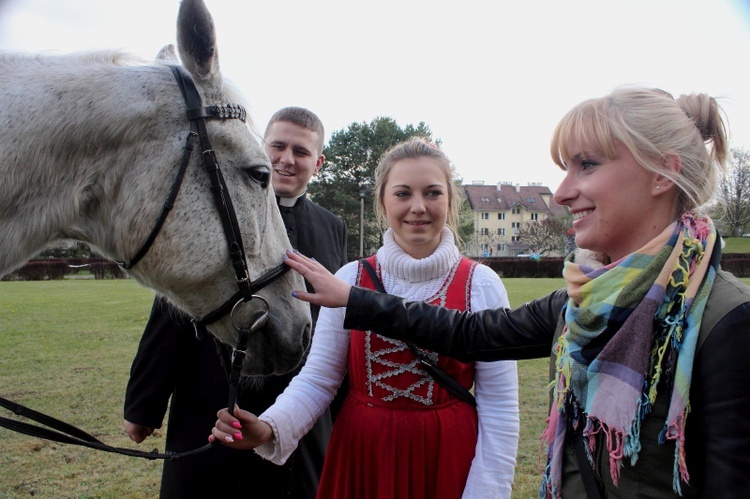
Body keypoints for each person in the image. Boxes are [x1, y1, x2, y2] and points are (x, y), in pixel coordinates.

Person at [277, 88, 750, 498]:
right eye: (565, 168)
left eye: (585, 165)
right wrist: (355, 298)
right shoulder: (584, 299)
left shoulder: (727, 320)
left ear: (662, 174)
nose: (561, 192)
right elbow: (469, 334)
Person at [211, 137, 520, 498]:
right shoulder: (350, 280)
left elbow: (499, 406)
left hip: (447, 456)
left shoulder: (481, 285)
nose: (418, 207)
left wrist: (488, 491)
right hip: (364, 454)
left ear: (450, 200)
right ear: (383, 202)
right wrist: (269, 428)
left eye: (432, 193)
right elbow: (319, 379)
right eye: (403, 193)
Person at [123, 107, 348, 498]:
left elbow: (337, 323)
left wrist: (344, 409)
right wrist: (144, 403)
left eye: (300, 151)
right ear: (262, 147)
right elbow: (172, 306)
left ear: (319, 162)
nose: (286, 159)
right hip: (211, 397)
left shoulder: (333, 226)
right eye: (277, 146)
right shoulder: (216, 211)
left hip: (302, 411)